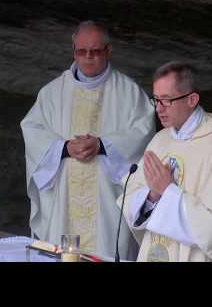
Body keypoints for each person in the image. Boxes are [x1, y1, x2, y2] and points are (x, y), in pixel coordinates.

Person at [21, 21, 155, 260]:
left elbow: (143, 133)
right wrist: (64, 148)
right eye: (82, 51)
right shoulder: (52, 93)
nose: (88, 57)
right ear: (74, 52)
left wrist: (103, 145)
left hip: (108, 206)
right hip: (63, 203)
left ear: (109, 51)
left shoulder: (129, 92)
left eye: (95, 51)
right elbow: (32, 130)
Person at [118, 61, 212, 261]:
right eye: (156, 100)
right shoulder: (159, 141)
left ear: (192, 99)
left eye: (166, 100)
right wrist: (152, 196)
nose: (159, 108)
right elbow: (131, 197)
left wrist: (168, 191)